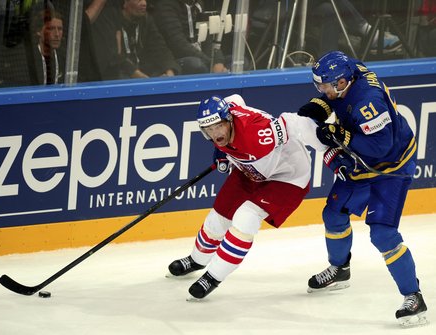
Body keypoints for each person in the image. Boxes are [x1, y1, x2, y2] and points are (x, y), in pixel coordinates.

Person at [297, 50, 428, 327]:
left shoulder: (369, 102)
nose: (322, 90)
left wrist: (340, 135)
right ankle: (340, 268)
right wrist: (319, 103)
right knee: (333, 215)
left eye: (326, 87)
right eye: (318, 85)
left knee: (383, 233)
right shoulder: (351, 69)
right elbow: (334, 100)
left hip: (390, 166)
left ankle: (414, 296)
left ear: (343, 83)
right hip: (362, 159)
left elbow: (379, 147)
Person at [167, 94, 327, 299]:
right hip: (251, 170)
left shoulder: (257, 133)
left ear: (229, 120)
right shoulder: (225, 116)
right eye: (208, 130)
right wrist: (223, 153)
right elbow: (235, 99)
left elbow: (291, 122)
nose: (214, 134)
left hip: (288, 175)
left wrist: (325, 143)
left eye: (218, 126)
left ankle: (213, 276)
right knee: (218, 217)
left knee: (246, 217)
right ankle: (197, 259)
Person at [91, 0, 180, 80]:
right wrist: (141, 77)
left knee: (190, 64)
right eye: (138, 0)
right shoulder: (110, 21)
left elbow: (161, 48)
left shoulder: (147, 20)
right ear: (124, 3)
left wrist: (169, 74)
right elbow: (114, 57)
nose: (144, 3)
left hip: (145, 73)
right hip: (122, 74)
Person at [153, 0, 228, 74]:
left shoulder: (198, 3)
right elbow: (178, 45)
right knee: (196, 65)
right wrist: (211, 63)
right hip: (176, 60)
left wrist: (218, 62)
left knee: (232, 60)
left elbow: (207, 37)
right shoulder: (165, 5)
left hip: (201, 57)